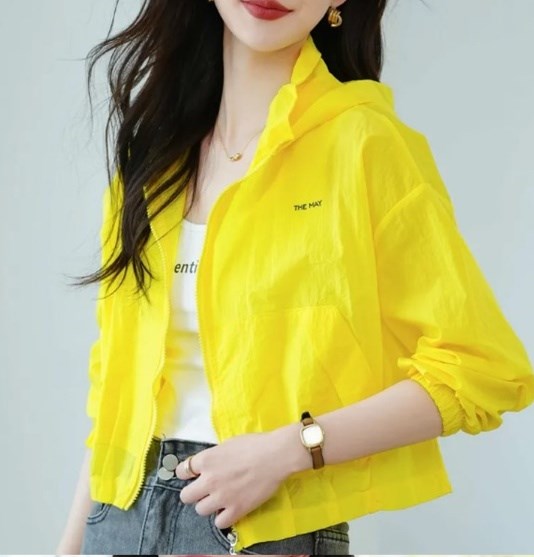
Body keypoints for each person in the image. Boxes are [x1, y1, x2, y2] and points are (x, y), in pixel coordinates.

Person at [56, 0, 534, 555]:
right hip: (115, 518)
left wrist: (289, 450)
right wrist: (68, 546)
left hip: (265, 529)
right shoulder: (152, 157)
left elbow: (481, 369)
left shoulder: (365, 144)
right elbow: (113, 394)